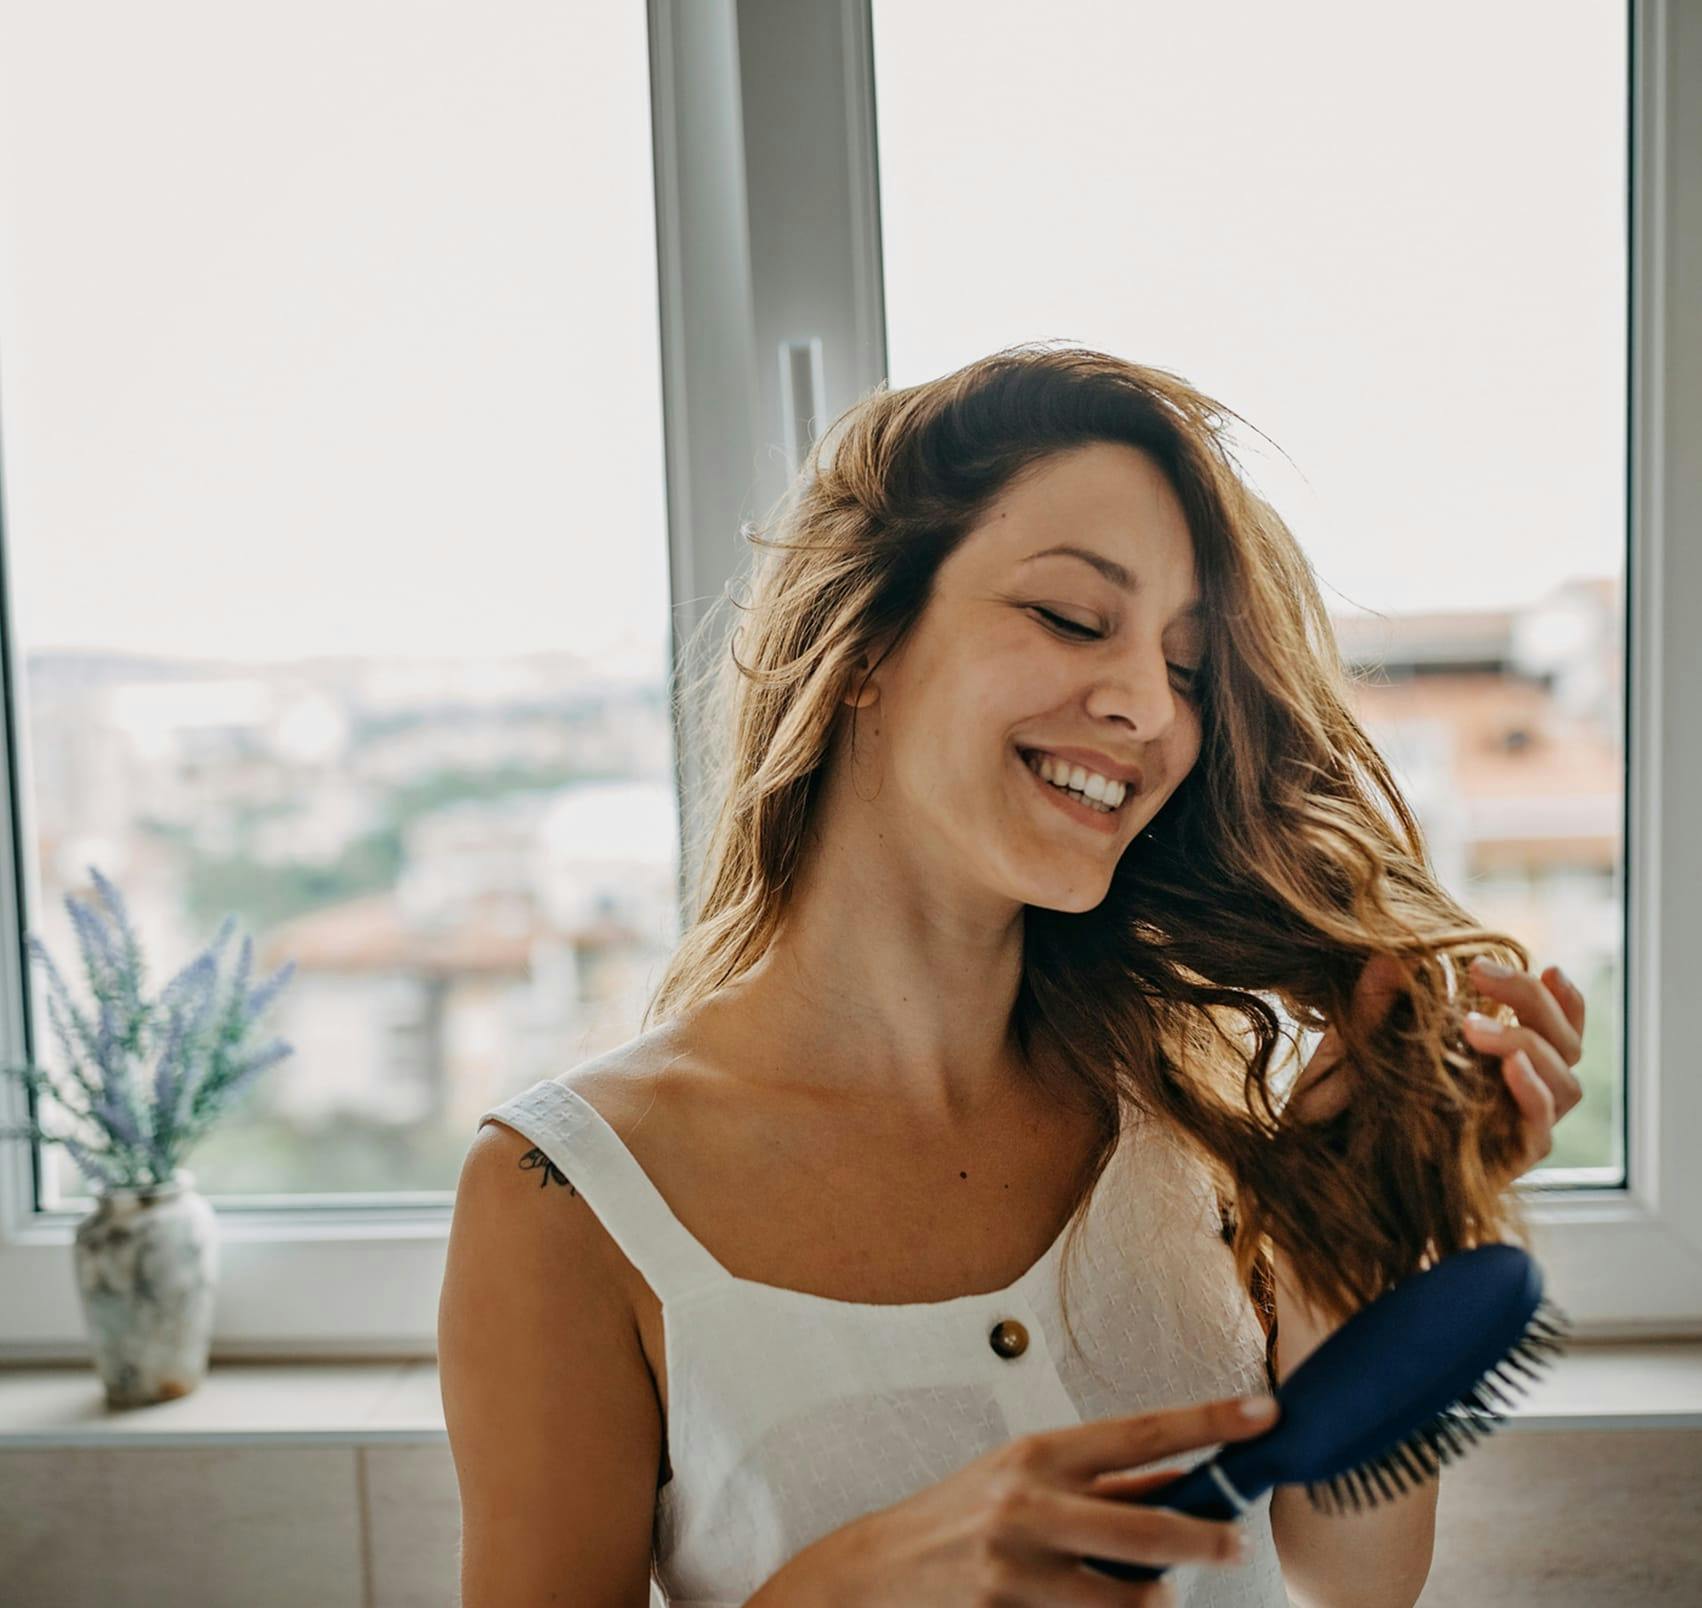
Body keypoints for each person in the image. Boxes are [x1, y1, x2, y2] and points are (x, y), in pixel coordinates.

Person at [438, 344, 1586, 1607]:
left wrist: (1350, 1233)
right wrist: (843, 1591)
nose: (1149, 706)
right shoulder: (570, 1199)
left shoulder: (1202, 1112)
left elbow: (1349, 1585)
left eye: (1187, 669)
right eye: (1071, 618)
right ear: (863, 641)